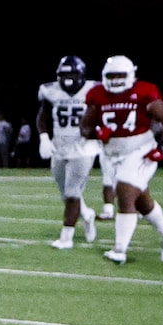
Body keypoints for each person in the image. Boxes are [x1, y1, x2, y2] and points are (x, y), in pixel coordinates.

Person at [84, 55, 163, 263]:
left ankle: (120, 249)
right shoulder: (97, 95)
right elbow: (85, 127)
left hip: (140, 150)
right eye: (112, 75)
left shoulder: (144, 92)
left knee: (125, 192)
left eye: (121, 75)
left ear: (131, 75)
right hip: (113, 153)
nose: (117, 79)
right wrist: (96, 133)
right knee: (142, 201)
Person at [36, 56, 99, 247]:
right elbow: (43, 115)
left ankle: (66, 237)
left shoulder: (94, 90)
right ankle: (87, 215)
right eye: (64, 74)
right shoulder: (50, 91)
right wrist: (44, 138)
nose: (67, 78)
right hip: (59, 147)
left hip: (84, 148)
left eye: (71, 73)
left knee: (72, 192)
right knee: (65, 194)